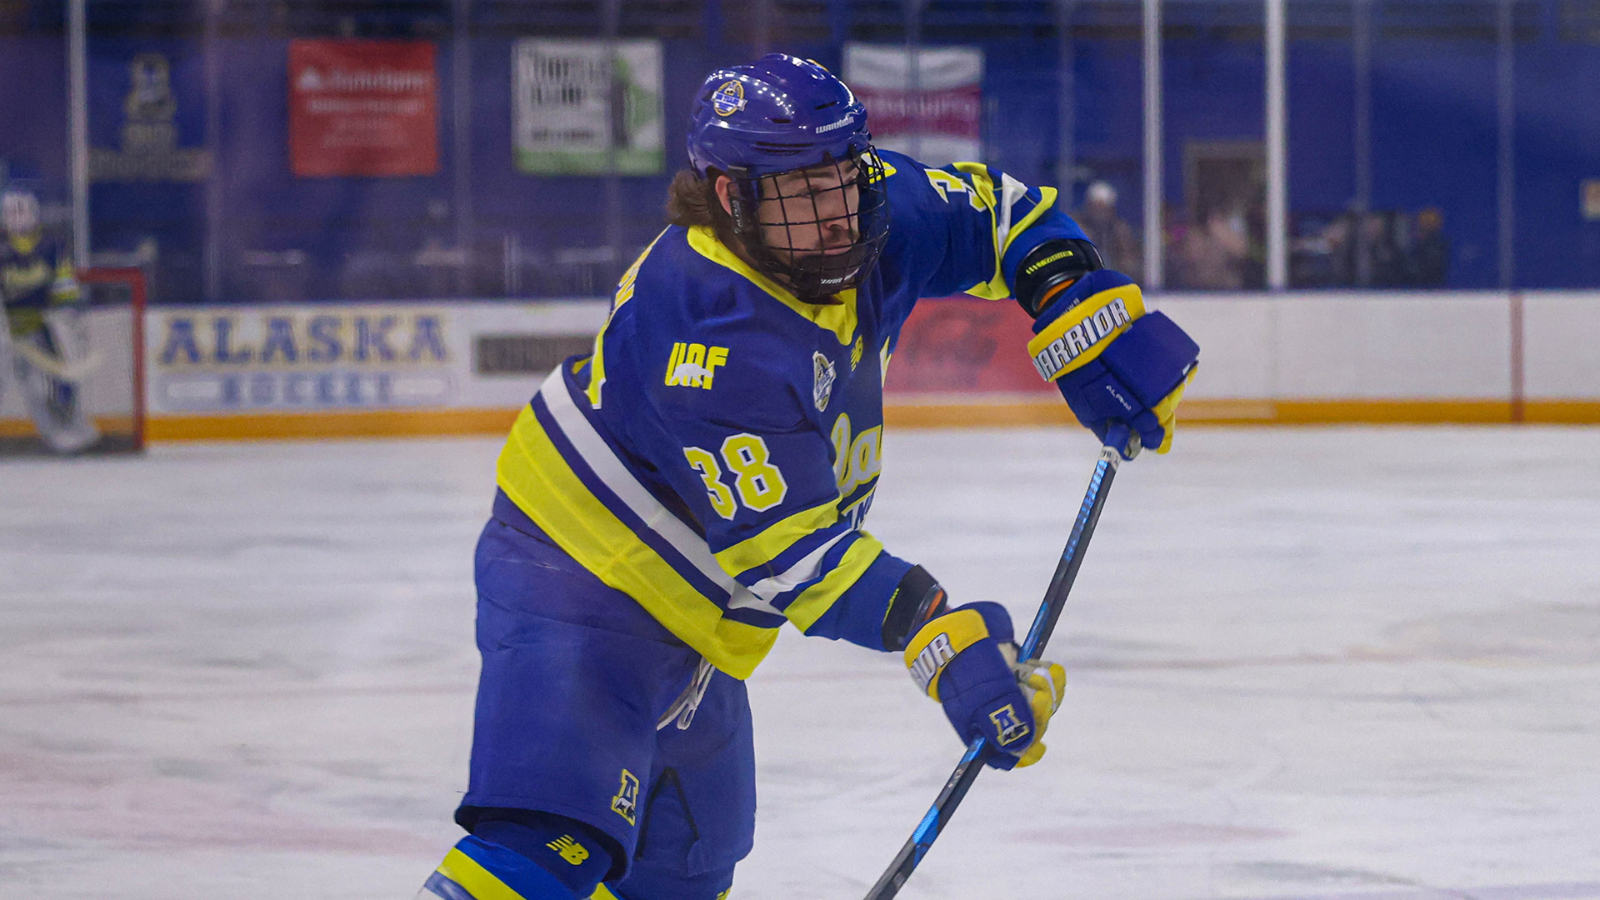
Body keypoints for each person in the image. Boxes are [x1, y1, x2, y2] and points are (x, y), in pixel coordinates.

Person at [417, 55, 1198, 900]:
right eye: (801, 195)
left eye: (842, 178)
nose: (835, 217)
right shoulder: (710, 329)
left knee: (688, 861)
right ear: (731, 198)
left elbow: (1003, 216)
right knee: (545, 849)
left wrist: (1072, 299)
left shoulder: (866, 207)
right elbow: (790, 555)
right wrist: (941, 635)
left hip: (707, 624)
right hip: (581, 583)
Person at [0, 186, 99, 453]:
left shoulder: (52, 246)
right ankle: (61, 436)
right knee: (20, 385)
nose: (17, 217)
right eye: (12, 211)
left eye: (23, 210)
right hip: (8, 331)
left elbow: (64, 284)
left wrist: (68, 314)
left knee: (55, 386)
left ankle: (71, 434)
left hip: (42, 328)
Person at [1072, 180, 1141, 281]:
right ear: (1088, 206)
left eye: (1103, 207)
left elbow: (1130, 262)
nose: (1100, 213)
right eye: (1096, 207)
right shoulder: (1076, 225)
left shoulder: (1119, 229)